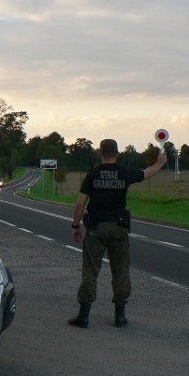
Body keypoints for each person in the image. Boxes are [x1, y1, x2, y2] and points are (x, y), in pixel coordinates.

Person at [69, 139, 167, 328]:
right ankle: (120, 316)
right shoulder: (124, 173)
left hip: (95, 229)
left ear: (100, 153)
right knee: (120, 270)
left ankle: (84, 315)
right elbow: (147, 173)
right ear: (117, 153)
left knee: (90, 270)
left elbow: (80, 203)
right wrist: (160, 163)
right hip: (119, 228)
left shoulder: (92, 175)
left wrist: (75, 226)